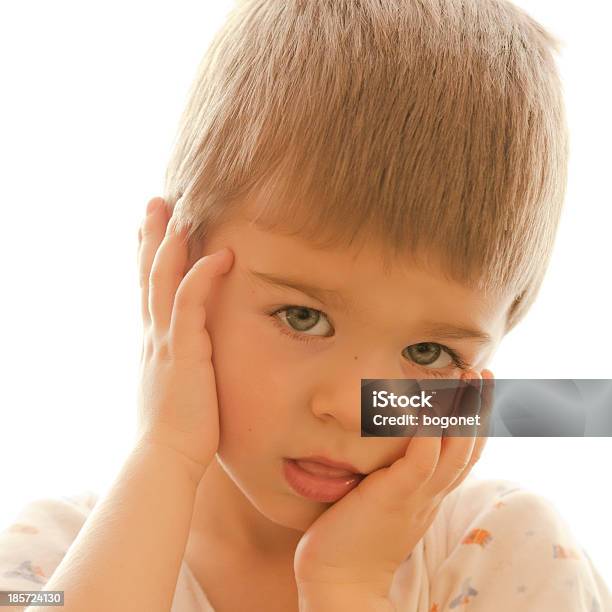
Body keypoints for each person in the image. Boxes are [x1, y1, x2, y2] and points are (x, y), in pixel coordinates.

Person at [1, 0, 610, 610]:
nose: (352, 407)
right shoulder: (50, 562)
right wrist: (166, 453)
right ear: (175, 269)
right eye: (302, 317)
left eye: (430, 352)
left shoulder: (506, 553)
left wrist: (346, 587)